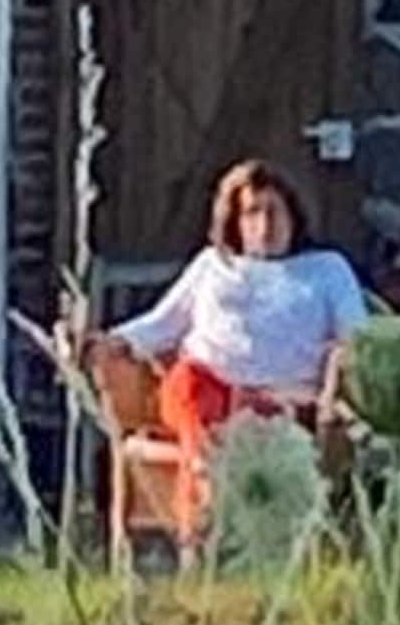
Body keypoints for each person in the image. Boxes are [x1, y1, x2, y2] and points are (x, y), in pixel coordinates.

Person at [101, 161, 375, 522]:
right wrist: (109, 343)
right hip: (209, 392)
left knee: (265, 421)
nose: (264, 226)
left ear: (293, 215)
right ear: (235, 222)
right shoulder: (212, 266)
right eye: (251, 213)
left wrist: (338, 385)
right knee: (187, 384)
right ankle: (202, 496)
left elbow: (359, 337)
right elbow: (161, 325)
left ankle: (227, 524)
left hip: (286, 402)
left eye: (273, 212)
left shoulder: (326, 269)